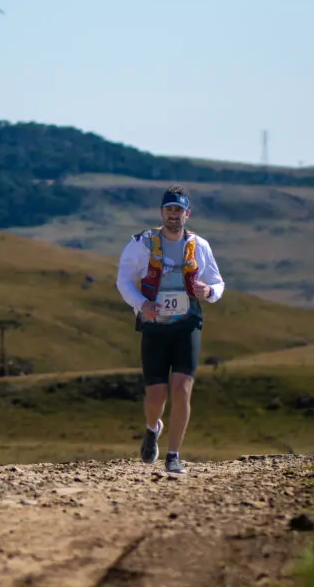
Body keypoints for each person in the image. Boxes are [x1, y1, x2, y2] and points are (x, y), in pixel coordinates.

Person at [115, 184, 226, 474]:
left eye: (179, 210)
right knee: (156, 395)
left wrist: (208, 291)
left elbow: (218, 283)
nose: (174, 215)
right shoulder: (142, 243)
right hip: (154, 325)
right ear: (161, 212)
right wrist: (141, 304)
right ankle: (153, 428)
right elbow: (124, 280)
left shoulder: (199, 246)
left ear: (187, 214)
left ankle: (174, 454)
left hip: (188, 324)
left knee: (182, 389)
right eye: (169, 210)